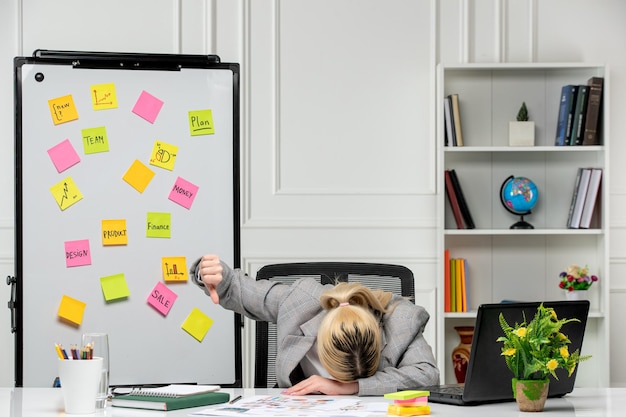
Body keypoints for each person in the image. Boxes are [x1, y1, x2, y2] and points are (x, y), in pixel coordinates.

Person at [191, 254, 439, 396]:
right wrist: (213, 275)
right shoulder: (301, 303)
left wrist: (350, 386)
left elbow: (427, 376)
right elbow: (241, 290)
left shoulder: (401, 320)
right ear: (319, 336)